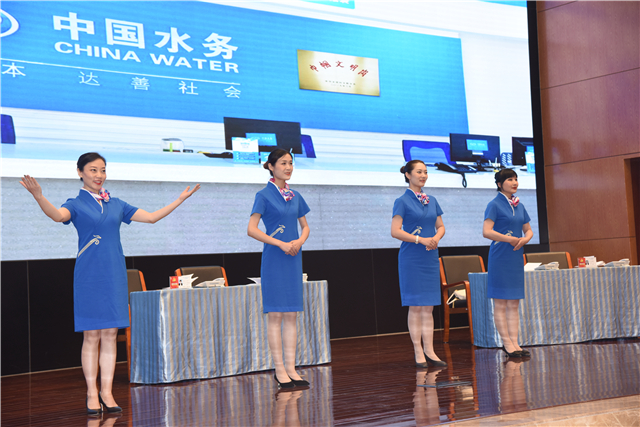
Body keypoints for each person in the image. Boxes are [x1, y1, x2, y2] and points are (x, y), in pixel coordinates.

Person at [20, 152, 200, 414]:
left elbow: (151, 217)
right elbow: (57, 216)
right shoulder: (76, 203)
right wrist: (39, 196)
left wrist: (180, 200)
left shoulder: (116, 204)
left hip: (114, 273)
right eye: (93, 170)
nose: (99, 175)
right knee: (92, 335)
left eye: (103, 170)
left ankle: (107, 392)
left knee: (110, 334)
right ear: (80, 172)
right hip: (89, 275)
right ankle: (91, 393)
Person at [247, 149, 311, 389]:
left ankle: (292, 368)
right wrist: (280, 243)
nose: (288, 167)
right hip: (275, 257)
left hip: (294, 256)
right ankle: (279, 369)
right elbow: (252, 229)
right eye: (283, 163)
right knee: (275, 314)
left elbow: (305, 227)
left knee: (292, 314)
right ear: (271, 167)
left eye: (291, 163)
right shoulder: (263, 195)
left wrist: (299, 241)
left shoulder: (296, 196)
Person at [391, 160, 447, 368]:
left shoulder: (432, 200)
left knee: (428, 307)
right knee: (415, 306)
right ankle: (418, 351)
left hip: (430, 256)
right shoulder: (402, 201)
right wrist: (420, 239)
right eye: (419, 172)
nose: (423, 175)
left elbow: (440, 226)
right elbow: (395, 231)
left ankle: (430, 350)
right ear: (408, 175)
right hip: (412, 257)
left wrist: (436, 238)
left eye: (425, 172)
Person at [482, 168, 533, 358]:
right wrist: (508, 239)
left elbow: (528, 230)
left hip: (515, 255)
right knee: (501, 303)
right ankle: (507, 343)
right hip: (500, 256)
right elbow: (487, 231)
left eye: (516, 179)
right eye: (510, 179)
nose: (514, 182)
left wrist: (525, 239)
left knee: (514, 303)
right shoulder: (494, 204)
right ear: (499, 184)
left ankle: (515, 342)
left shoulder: (519, 205)